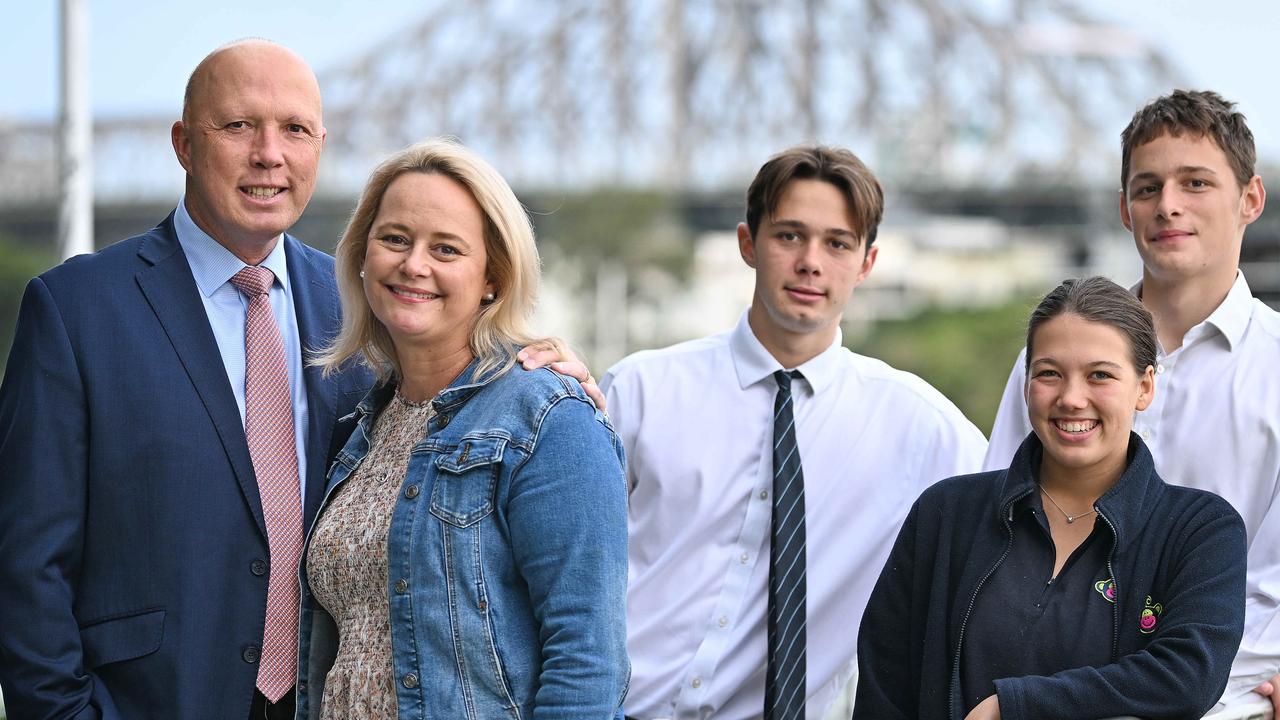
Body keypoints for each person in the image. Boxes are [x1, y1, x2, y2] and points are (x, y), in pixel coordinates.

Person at [0, 40, 594, 720]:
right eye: (238, 126)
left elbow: (454, 381)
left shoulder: (364, 305)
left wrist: (541, 371)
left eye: (295, 130)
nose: (268, 154)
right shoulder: (77, 309)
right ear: (184, 143)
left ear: (320, 146)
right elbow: (26, 565)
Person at [601, 145, 988, 720]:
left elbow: (1024, 531)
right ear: (747, 244)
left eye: (837, 243)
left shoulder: (921, 428)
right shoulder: (640, 391)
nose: (811, 262)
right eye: (789, 236)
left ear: (867, 263)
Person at [295, 138, 629, 720]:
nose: (413, 264)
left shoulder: (550, 420)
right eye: (395, 238)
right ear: (363, 256)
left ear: (492, 277)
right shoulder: (363, 426)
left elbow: (588, 662)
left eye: (445, 249)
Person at [984, 90, 1280, 715]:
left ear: (1250, 199)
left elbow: (1273, 593)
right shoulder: (1053, 359)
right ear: (1124, 208)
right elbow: (1000, 533)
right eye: (1147, 188)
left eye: (1195, 182)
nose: (1168, 205)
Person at [856, 276, 1248, 720]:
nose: (1071, 398)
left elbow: (1190, 676)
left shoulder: (1199, 529)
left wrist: (1015, 706)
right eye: (1049, 373)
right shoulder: (946, 512)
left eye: (1099, 375)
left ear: (1144, 387)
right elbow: (884, 685)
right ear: (1026, 383)